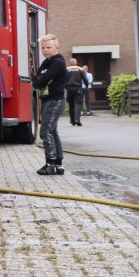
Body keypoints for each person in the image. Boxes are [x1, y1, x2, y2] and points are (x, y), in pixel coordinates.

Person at [34, 35, 67, 175]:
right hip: (47, 100)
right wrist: (42, 80)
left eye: (48, 47)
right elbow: (36, 82)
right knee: (52, 131)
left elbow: (42, 79)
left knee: (45, 131)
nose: (45, 50)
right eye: (43, 48)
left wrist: (42, 79)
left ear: (56, 48)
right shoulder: (45, 63)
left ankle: (50, 163)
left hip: (55, 101)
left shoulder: (58, 63)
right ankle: (58, 164)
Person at [65, 58, 85, 126]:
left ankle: (72, 120)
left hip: (69, 89)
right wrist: (86, 86)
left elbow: (64, 80)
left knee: (71, 105)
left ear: (70, 63)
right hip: (78, 88)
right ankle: (77, 119)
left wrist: (66, 88)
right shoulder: (80, 69)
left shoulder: (66, 70)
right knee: (77, 104)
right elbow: (84, 79)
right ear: (76, 63)